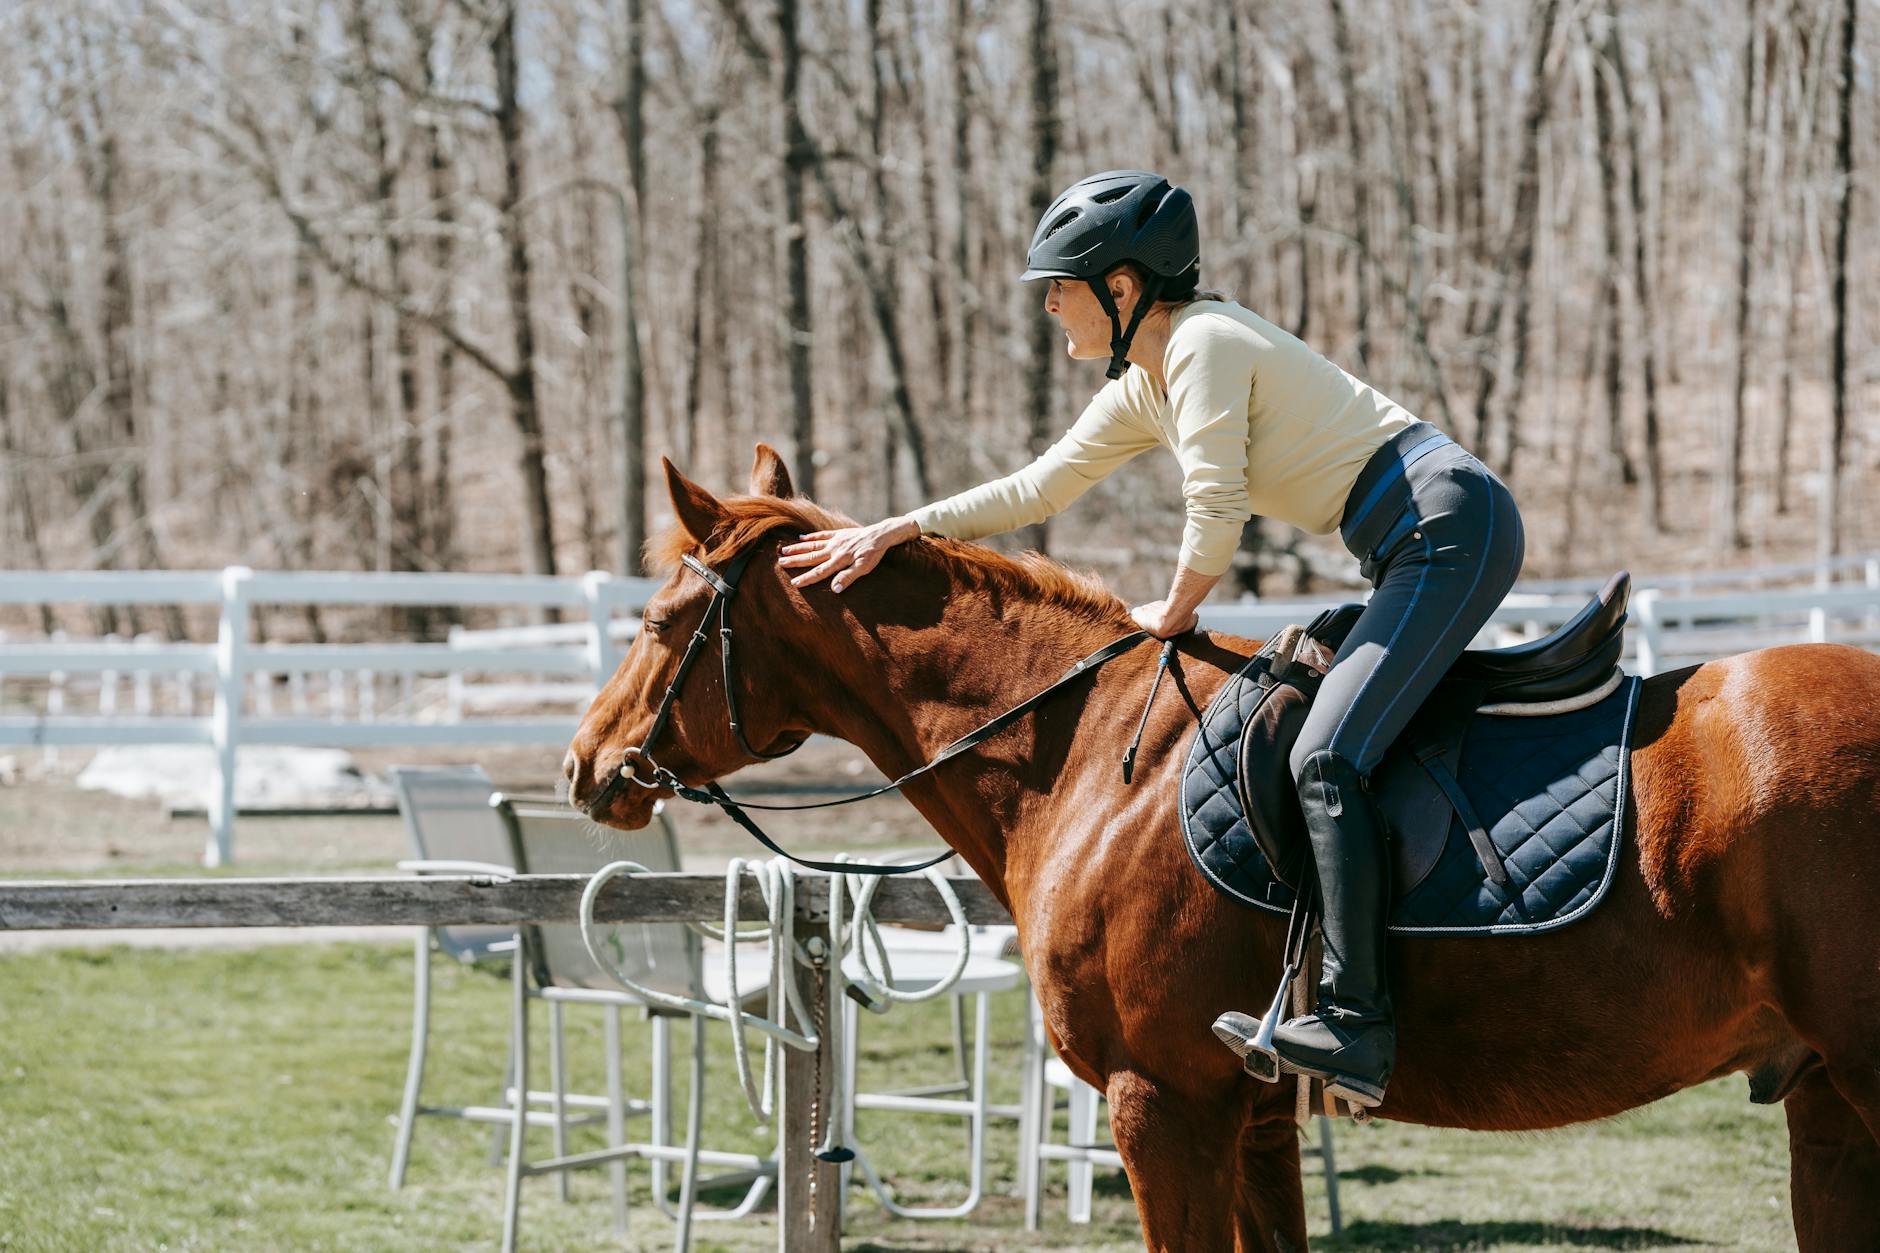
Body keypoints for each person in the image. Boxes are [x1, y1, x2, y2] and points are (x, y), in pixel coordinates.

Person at [777, 169, 1525, 1108]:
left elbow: (1217, 504)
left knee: (1328, 755)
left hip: (1447, 527)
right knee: (1317, 732)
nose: (1050, 304)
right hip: (1411, 540)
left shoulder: (1206, 342)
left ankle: (1357, 1021)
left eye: (1061, 284)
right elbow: (1037, 489)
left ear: (1122, 290)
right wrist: (901, 528)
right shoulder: (1146, 380)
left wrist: (1170, 614)